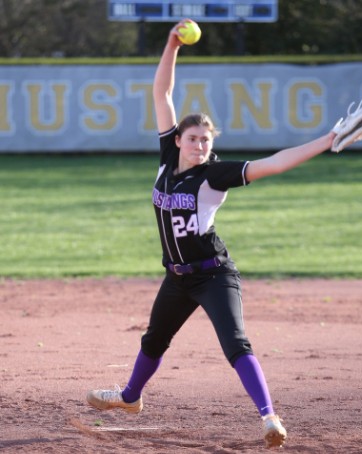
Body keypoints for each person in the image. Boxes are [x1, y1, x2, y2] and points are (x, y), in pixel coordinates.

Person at [86, 19, 339, 449]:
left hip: (214, 274)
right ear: (179, 140)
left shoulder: (214, 176)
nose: (200, 144)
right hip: (177, 276)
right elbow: (161, 93)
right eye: (193, 138)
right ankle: (129, 398)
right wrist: (171, 45)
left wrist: (328, 140)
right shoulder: (168, 158)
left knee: (235, 343)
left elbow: (274, 163)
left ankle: (269, 418)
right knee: (154, 340)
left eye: (205, 139)